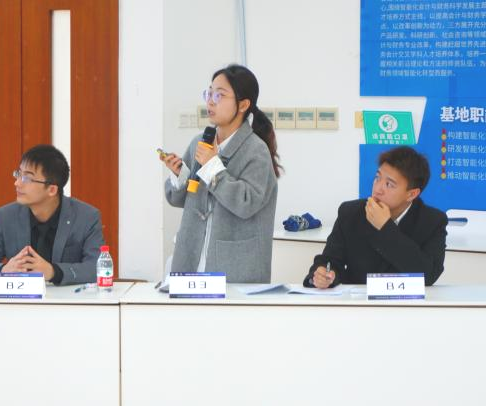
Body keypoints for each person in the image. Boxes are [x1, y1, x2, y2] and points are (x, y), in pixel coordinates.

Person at [161, 64, 281, 283]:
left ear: (243, 104)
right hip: (192, 262)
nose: (210, 101)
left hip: (234, 268)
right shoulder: (200, 142)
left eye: (219, 95)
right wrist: (180, 175)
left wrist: (212, 167)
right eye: (208, 94)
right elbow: (177, 199)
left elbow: (246, 203)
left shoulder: (256, 151)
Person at [304, 146, 447, 288]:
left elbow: (428, 275)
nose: (378, 189)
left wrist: (385, 228)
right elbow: (330, 261)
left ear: (411, 194)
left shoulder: (433, 221)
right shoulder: (351, 213)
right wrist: (323, 276)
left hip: (405, 301)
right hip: (358, 300)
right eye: (377, 178)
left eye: (389, 184)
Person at [0, 144, 103, 285]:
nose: (17, 183)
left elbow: (97, 268)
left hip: (67, 297)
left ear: (52, 190)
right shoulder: (5, 216)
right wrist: (4, 270)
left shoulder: (86, 217)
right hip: (21, 297)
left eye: (27, 178)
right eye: (18, 174)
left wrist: (53, 272)